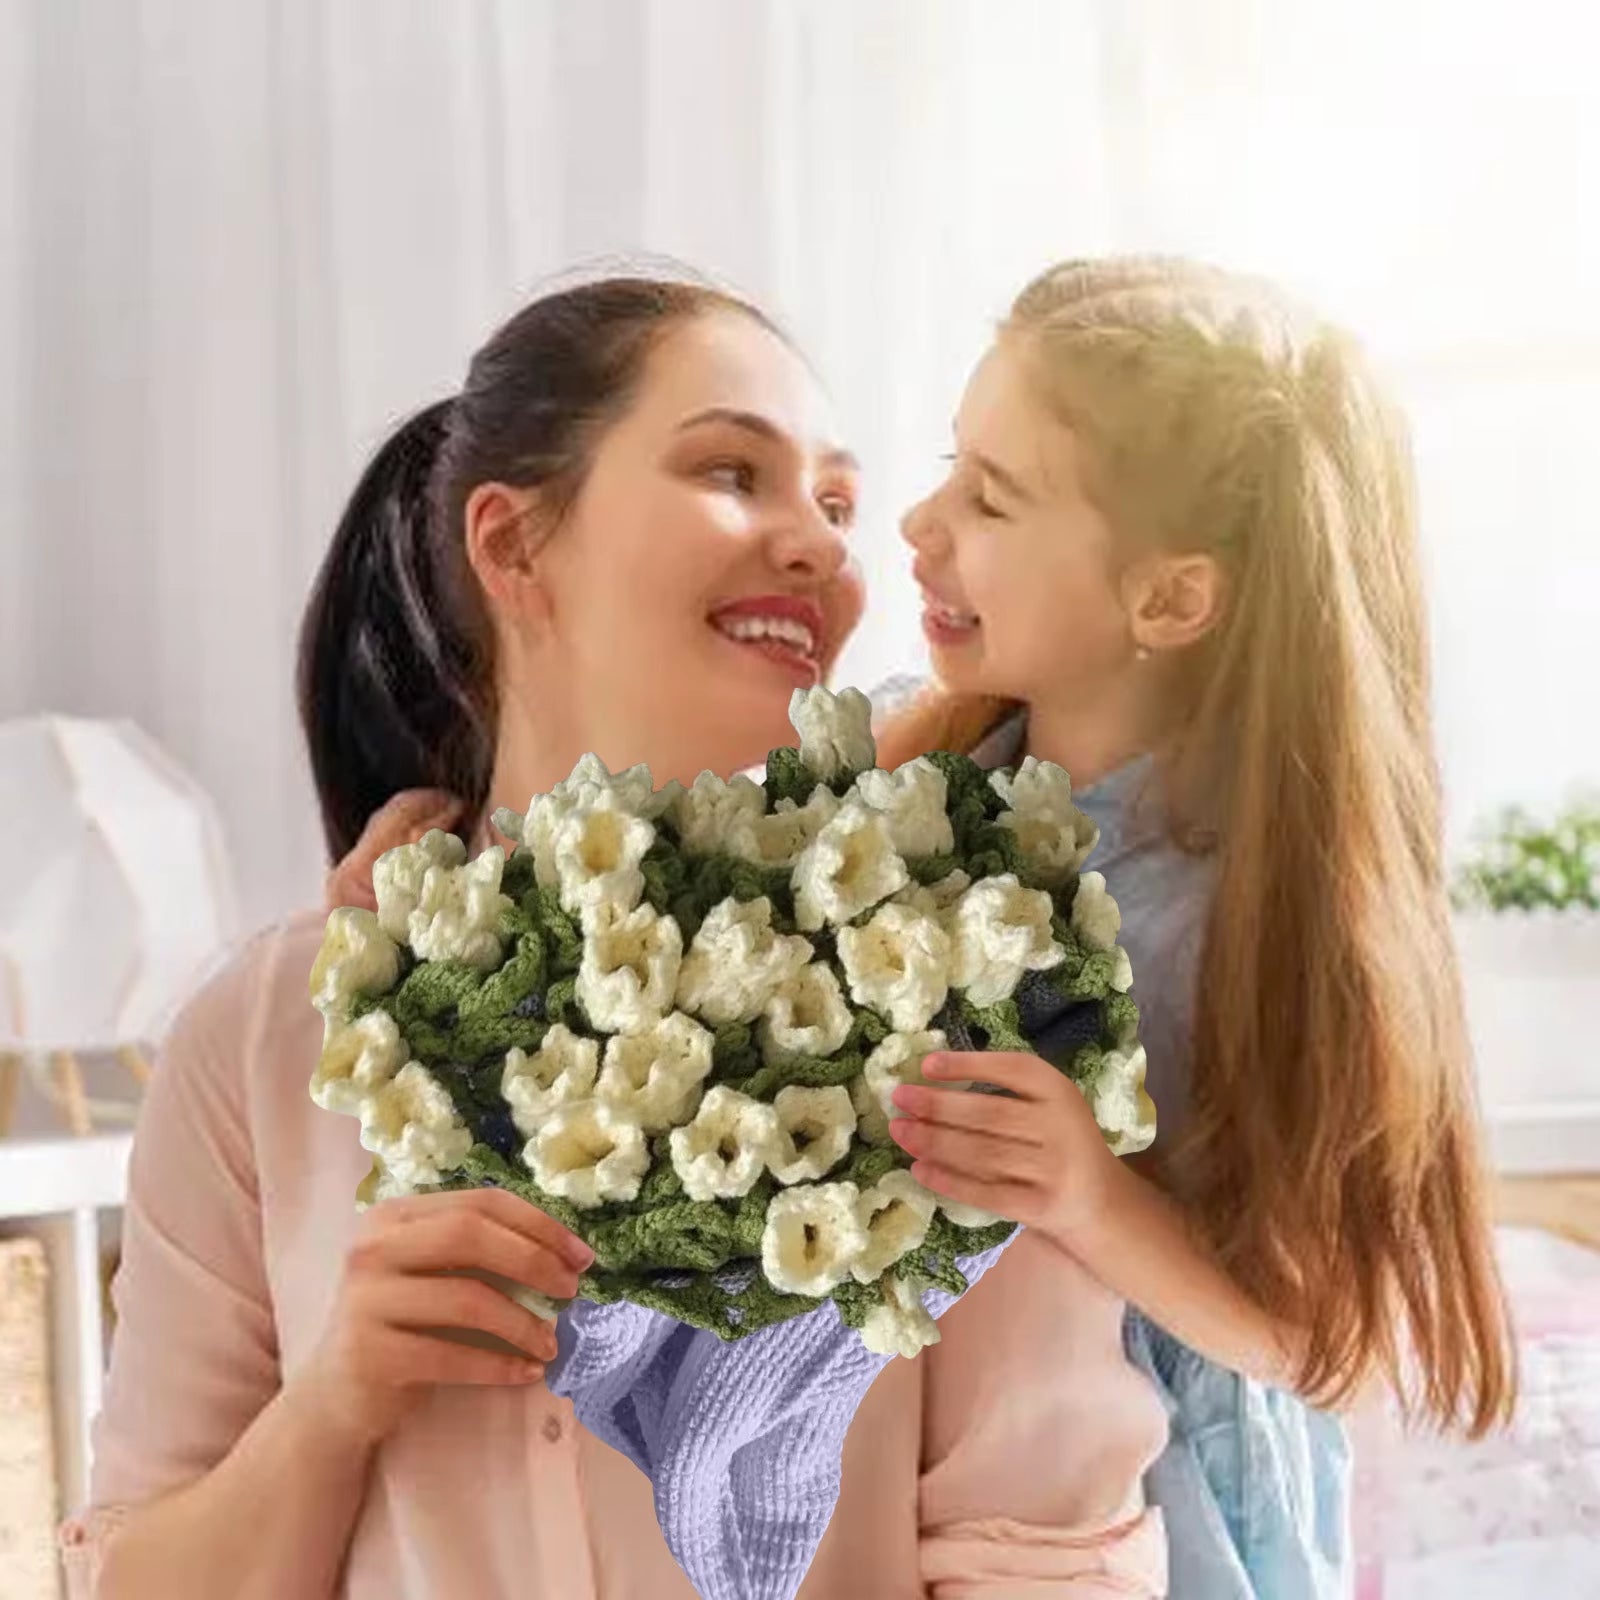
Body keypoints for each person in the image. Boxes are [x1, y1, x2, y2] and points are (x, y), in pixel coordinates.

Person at [336, 255, 1518, 1596]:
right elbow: (683, 878)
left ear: (1169, 599)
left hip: (1148, 1533)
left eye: (991, 498)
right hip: (916, 1484)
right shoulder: (916, 768)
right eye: (955, 465)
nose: (914, 522)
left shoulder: (1238, 922)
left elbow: (1332, 1353)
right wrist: (443, 865)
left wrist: (1094, 1196)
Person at [62, 273, 1168, 1599]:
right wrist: (335, 1401)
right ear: (513, 546)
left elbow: (1047, 1563)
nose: (819, 548)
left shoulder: (959, 999)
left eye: (835, 505)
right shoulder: (265, 1037)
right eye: (732, 472)